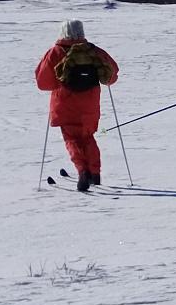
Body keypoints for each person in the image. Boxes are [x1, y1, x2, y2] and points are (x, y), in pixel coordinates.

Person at [34, 19, 119, 191]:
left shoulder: (55, 52)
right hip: (90, 103)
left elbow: (43, 83)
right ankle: (95, 173)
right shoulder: (93, 51)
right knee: (88, 137)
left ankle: (82, 172)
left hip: (65, 104)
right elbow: (112, 75)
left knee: (72, 139)